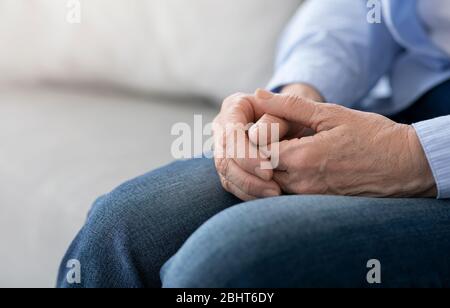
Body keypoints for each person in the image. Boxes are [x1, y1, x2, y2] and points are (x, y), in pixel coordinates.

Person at [58, 0, 450, 288]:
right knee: (122, 226)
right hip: (412, 99)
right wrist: (299, 97)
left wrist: (413, 156)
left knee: (227, 262)